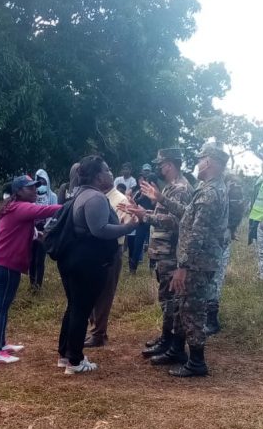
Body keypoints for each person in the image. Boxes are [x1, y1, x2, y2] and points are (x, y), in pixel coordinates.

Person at [153, 145, 230, 377]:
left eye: (201, 159)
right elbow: (188, 213)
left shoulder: (209, 193)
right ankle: (178, 350)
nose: (197, 163)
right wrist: (161, 200)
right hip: (198, 261)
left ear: (210, 163)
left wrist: (183, 266)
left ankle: (197, 362)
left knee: (192, 311)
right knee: (183, 307)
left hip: (197, 263)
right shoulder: (208, 189)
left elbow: (198, 234)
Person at [56, 156, 135, 374]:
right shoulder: (96, 198)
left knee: (74, 307)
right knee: (81, 310)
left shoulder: (79, 194)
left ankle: (65, 354)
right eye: (108, 170)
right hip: (88, 262)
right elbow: (100, 229)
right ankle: (75, 361)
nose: (111, 173)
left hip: (73, 258)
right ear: (99, 176)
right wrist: (128, 228)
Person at [123, 148, 193, 362]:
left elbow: (178, 221)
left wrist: (147, 216)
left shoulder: (180, 189)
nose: (159, 169)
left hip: (171, 253)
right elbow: (164, 215)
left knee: (172, 301)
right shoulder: (172, 187)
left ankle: (173, 345)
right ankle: (166, 339)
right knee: (167, 299)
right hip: (163, 252)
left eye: (161, 165)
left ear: (170, 165)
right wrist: (142, 213)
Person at [0, 176, 64, 364]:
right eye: (30, 188)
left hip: (6, 261)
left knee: (3, 306)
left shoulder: (13, 207)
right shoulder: (20, 207)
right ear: (19, 191)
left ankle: (1, 344)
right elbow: (47, 210)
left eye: (36, 187)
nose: (35, 191)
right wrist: (70, 206)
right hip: (4, 262)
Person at [84, 180, 132, 348]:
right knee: (91, 292)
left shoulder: (120, 200)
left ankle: (99, 334)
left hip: (111, 251)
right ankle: (95, 329)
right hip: (93, 251)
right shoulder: (95, 197)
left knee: (105, 293)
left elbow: (124, 227)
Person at [205, 171, 247, 335]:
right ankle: (205, 315)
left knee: (215, 277)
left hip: (221, 237)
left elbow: (237, 210)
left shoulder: (231, 184)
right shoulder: (210, 183)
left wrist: (229, 229)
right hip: (208, 238)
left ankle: (212, 320)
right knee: (208, 276)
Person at [29, 169, 58, 290]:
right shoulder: (32, 196)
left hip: (45, 230)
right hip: (31, 229)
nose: (41, 184)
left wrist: (47, 230)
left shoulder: (52, 196)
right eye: (39, 182)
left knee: (40, 259)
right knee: (31, 257)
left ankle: (38, 284)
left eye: (43, 181)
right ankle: (31, 282)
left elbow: (54, 215)